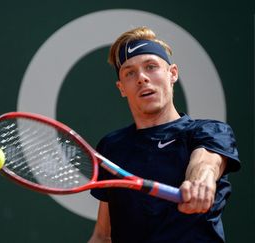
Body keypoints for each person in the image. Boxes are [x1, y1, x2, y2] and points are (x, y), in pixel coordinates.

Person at [88, 26, 240, 243]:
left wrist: (199, 183)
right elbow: (103, 236)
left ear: (172, 74)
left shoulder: (208, 132)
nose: (142, 78)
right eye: (130, 73)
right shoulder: (112, 147)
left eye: (151, 67)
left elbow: (206, 163)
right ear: (122, 88)